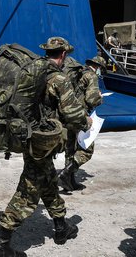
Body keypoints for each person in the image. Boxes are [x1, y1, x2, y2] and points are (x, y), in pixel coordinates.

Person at [0, 37, 91, 257]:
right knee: (28, 191)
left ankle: (61, 226)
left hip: (28, 135)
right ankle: (1, 245)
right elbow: (73, 114)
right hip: (41, 141)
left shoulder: (33, 70)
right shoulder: (57, 78)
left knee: (47, 180)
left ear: (47, 52)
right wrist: (87, 122)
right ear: (63, 54)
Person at [58, 55, 105, 192]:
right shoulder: (91, 76)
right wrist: (100, 98)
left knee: (70, 148)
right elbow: (91, 99)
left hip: (68, 114)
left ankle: (69, 182)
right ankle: (67, 172)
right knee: (86, 148)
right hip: (80, 116)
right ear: (98, 67)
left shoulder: (77, 73)